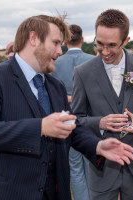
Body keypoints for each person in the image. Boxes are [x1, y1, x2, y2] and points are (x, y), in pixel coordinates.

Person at [0, 15, 133, 200]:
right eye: (56, 43)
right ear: (33, 38)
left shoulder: (56, 86)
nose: (61, 51)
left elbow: (70, 127)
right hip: (3, 192)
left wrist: (98, 146)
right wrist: (41, 127)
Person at [72, 9, 133, 200]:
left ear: (126, 41)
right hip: (101, 169)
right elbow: (77, 119)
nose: (104, 51)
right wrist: (100, 123)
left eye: (112, 45)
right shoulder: (82, 72)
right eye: (99, 44)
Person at [51, 24, 94, 200]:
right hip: (91, 119)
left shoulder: (55, 62)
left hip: (66, 120)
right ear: (82, 40)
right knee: (93, 164)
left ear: (65, 41)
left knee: (75, 167)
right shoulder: (93, 60)